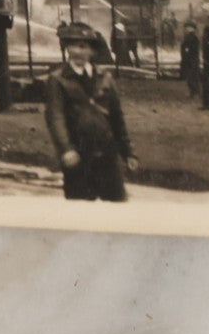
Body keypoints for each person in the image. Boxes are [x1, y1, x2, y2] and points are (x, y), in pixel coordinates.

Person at [44, 22, 139, 202]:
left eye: (84, 46)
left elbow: (117, 118)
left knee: (116, 205)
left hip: (107, 153)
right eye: (73, 45)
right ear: (67, 48)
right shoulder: (58, 79)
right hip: (78, 154)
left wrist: (128, 152)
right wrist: (66, 149)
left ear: (92, 51)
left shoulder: (105, 77)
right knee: (81, 208)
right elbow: (55, 117)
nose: (78, 51)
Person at [179, 21, 201, 99]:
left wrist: (186, 53)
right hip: (189, 59)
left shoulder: (192, 38)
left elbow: (190, 49)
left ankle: (195, 92)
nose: (184, 29)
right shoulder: (188, 37)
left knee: (192, 76)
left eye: (186, 28)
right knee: (189, 77)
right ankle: (193, 92)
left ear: (190, 29)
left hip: (191, 60)